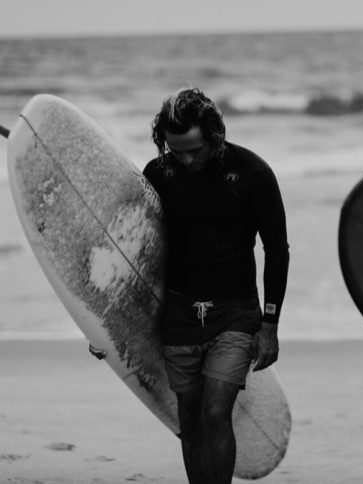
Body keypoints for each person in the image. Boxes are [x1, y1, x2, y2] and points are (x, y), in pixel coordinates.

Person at [143, 87, 289, 484]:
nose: (188, 160)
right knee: (189, 417)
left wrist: (270, 324)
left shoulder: (253, 174)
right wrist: (105, 321)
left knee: (215, 413)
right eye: (176, 152)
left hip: (235, 313)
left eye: (195, 150)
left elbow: (277, 250)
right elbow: (136, 246)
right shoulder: (158, 174)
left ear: (215, 135)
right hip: (179, 313)